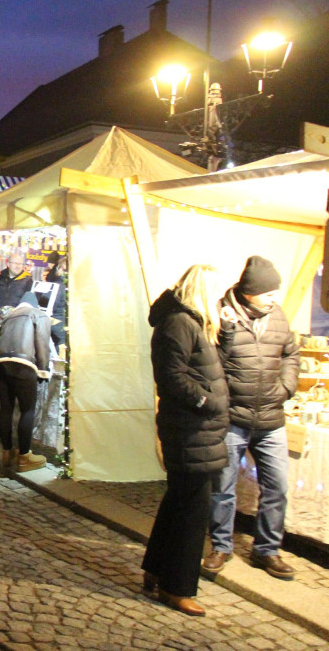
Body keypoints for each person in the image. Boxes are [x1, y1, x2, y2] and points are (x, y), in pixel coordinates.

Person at [203, 256, 300, 581]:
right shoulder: (220, 314)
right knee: (223, 486)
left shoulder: (278, 315)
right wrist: (227, 333)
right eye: (269, 292)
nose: (275, 297)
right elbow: (210, 362)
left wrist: (286, 387)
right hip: (232, 418)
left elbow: (291, 353)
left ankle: (267, 550)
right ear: (249, 292)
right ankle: (221, 545)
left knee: (277, 487)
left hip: (271, 419)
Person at [142, 264, 229, 617]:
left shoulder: (185, 322)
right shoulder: (180, 323)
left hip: (194, 430)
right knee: (192, 514)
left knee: (178, 504)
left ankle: (156, 570)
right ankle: (177, 587)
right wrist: (205, 401)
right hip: (190, 429)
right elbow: (172, 376)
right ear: (203, 291)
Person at [0, 291, 52, 472]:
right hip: (23, 364)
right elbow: (42, 344)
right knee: (27, 409)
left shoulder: (9, 316)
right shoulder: (38, 314)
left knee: (6, 408)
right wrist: (43, 369)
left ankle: (6, 453)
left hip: (0, 363)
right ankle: (24, 456)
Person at [0, 250, 33, 319]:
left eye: (20, 264)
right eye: (15, 263)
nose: (18, 266)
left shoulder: (28, 281)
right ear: (8, 264)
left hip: (17, 322)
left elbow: (30, 303)